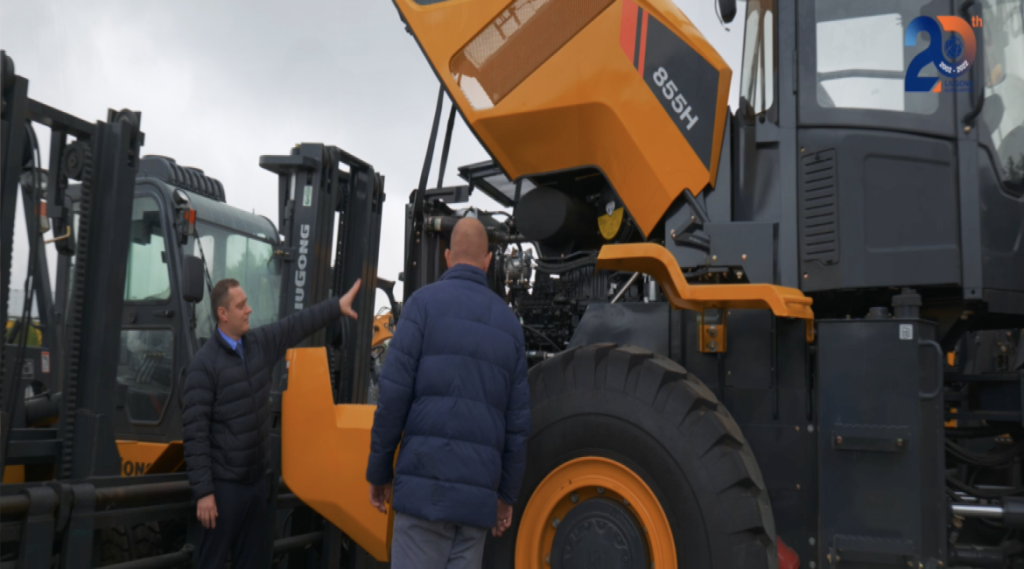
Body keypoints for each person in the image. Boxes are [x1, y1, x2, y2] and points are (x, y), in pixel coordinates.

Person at [366, 217, 530, 569]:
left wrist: (379, 472)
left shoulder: (421, 306)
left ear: (446, 257)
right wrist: (506, 497)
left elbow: (392, 399)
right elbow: (517, 425)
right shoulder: (509, 326)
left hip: (424, 497)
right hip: (475, 506)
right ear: (488, 261)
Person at [182, 277, 361, 568]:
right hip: (225, 490)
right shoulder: (204, 365)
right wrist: (204, 493)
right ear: (223, 314)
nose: (249, 310)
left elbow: (295, 325)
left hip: (257, 487)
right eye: (241, 305)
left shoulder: (258, 344)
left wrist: (336, 307)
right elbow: (195, 433)